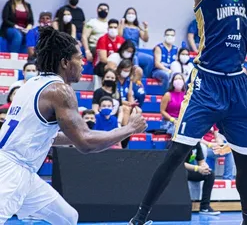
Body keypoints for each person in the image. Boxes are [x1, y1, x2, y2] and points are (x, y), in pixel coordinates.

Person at [128, 0, 247, 224]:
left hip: (236, 85)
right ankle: (140, 217)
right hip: (206, 83)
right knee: (175, 155)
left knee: (245, 162)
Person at [0, 26, 147, 224]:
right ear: (65, 62)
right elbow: (85, 143)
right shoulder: (60, 90)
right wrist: (130, 128)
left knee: (68, 218)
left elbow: (49, 135)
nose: (82, 62)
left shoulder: (32, 83)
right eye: (79, 58)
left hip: (21, 170)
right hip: (11, 173)